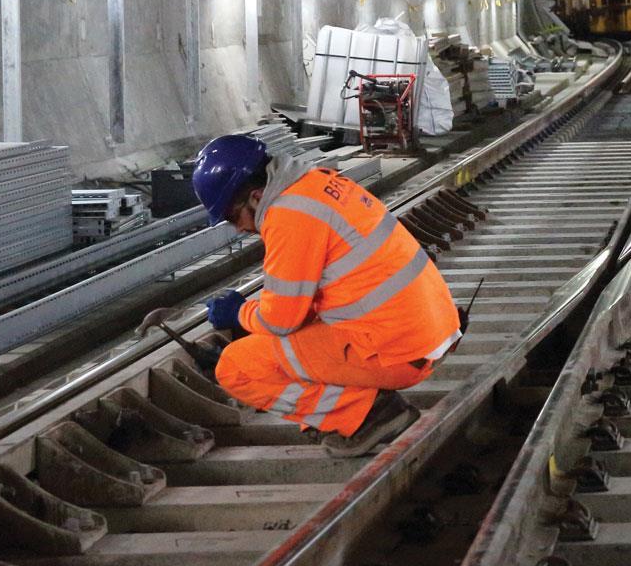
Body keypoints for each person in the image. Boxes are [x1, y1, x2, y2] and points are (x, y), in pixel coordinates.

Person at [188, 134, 463, 454]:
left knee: (237, 367)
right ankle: (367, 404)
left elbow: (281, 320)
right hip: (428, 335)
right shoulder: (317, 184)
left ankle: (368, 415)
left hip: (396, 354)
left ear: (255, 196)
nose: (237, 228)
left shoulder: (286, 215)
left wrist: (238, 313)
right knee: (286, 336)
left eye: (232, 217)